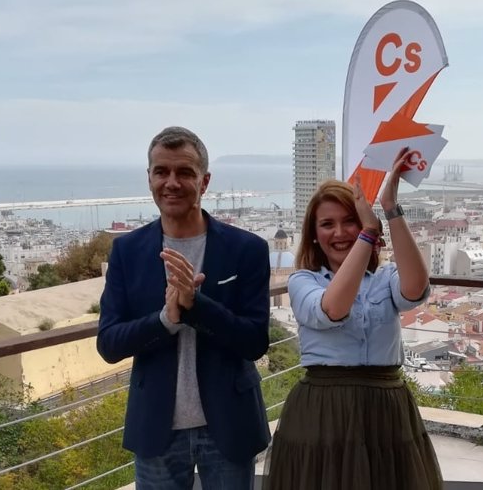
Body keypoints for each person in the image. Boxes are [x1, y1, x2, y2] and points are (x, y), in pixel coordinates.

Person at [97, 126, 271, 490]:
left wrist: (196, 307)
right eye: (161, 171)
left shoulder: (247, 249)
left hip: (228, 423)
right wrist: (166, 319)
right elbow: (109, 343)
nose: (171, 182)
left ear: (204, 182)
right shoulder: (127, 251)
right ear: (149, 179)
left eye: (184, 173)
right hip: (157, 428)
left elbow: (255, 341)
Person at [266, 148, 443, 490]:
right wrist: (367, 234)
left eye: (350, 221)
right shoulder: (304, 281)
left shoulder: (385, 277)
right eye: (327, 224)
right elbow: (332, 309)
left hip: (385, 407)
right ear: (314, 234)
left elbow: (416, 289)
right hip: (323, 409)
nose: (340, 232)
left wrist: (390, 210)